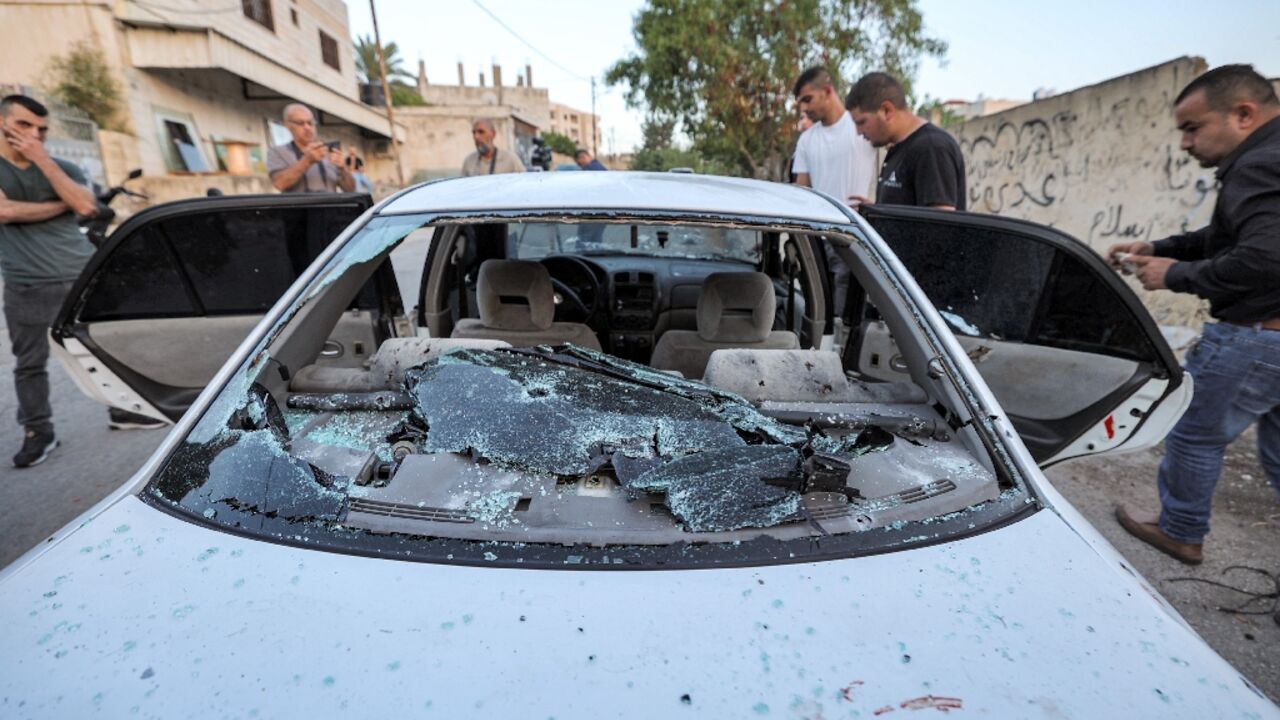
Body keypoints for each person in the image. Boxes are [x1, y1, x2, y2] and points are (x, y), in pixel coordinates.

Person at [1109, 65, 1280, 565]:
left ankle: (1181, 530)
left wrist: (1175, 274)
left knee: (1193, 433)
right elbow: (1228, 239)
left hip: (1254, 338)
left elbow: (1264, 259)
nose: (1184, 144)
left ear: (1243, 114)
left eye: (1192, 127)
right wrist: (1159, 248)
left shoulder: (1258, 165)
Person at [0, 95, 137, 467]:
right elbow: (5, 210)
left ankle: (122, 411)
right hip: (26, 283)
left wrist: (42, 160)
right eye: (25, 125)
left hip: (80, 273)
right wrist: (60, 203)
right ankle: (38, 432)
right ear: (3, 123)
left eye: (42, 129)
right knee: (29, 363)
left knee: (104, 348)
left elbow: (86, 207)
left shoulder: (59, 165)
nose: (35, 135)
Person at [792, 67, 876, 317]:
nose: (804, 109)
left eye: (808, 99)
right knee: (816, 315)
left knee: (844, 318)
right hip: (817, 240)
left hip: (852, 238)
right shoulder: (807, 140)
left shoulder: (862, 127)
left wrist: (879, 207)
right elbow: (800, 191)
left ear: (828, 91)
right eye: (800, 103)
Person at [844, 72, 966, 211]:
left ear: (887, 110)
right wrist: (877, 212)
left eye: (861, 122)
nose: (858, 132)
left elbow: (940, 225)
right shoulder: (899, 148)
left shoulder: (932, 148)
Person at [266, 103, 355, 193]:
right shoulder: (277, 152)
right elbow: (279, 184)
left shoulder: (328, 151)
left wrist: (343, 169)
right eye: (301, 123)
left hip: (330, 206)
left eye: (310, 123)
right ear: (287, 125)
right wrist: (307, 161)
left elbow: (351, 189)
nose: (307, 127)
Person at [461, 118, 526, 176]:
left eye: (481, 132)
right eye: (474, 133)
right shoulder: (469, 161)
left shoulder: (511, 160)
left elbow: (524, 183)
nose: (476, 137)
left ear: (493, 134)